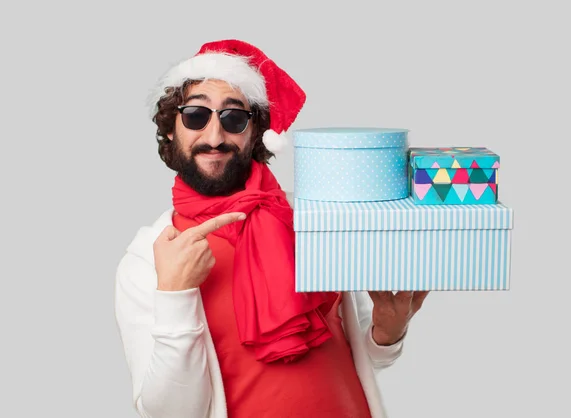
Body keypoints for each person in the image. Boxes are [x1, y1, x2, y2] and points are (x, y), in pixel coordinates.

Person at [114, 39, 429, 418]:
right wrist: (176, 295)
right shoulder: (150, 257)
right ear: (170, 130)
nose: (214, 137)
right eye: (196, 115)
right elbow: (169, 412)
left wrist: (386, 334)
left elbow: (360, 352)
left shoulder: (312, 218)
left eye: (233, 119)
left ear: (255, 132)